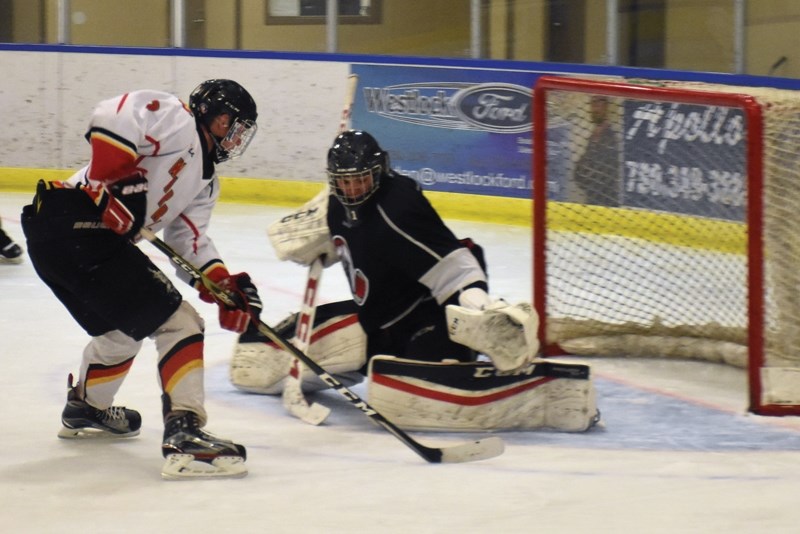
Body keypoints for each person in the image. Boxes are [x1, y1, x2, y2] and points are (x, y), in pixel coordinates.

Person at [231, 130, 599, 433]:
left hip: (427, 319)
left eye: (361, 180)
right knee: (259, 358)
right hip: (377, 319)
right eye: (345, 182)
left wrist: (479, 309)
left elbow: (456, 268)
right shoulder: (336, 203)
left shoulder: (398, 208)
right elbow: (326, 234)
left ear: (379, 172)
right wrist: (317, 241)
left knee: (394, 396)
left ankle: (533, 380)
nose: (354, 190)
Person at [21, 79, 262, 479]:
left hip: (56, 236)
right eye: (229, 123)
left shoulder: (205, 181)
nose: (234, 136)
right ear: (207, 113)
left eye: (239, 130)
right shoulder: (176, 118)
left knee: (124, 328)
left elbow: (189, 240)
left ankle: (88, 407)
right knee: (179, 322)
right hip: (76, 220)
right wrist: (118, 178)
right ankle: (186, 434)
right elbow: (112, 115)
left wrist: (222, 286)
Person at [573, 95, 621, 207]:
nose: (595, 108)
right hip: (592, 200)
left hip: (606, 202)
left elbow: (605, 174)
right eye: (593, 104)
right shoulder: (593, 136)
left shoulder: (610, 138)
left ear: (607, 107)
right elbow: (580, 171)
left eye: (599, 104)